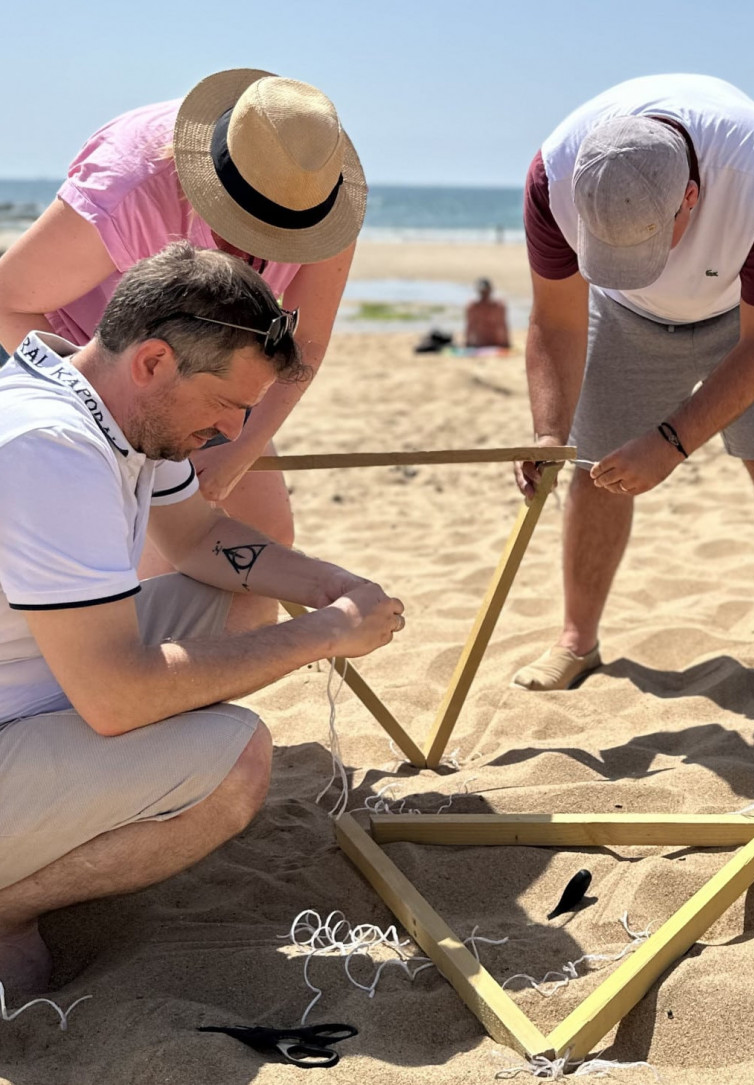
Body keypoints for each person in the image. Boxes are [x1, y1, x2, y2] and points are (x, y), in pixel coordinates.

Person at [0, 242, 405, 998]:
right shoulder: (49, 447)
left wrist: (333, 586)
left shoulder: (113, 404)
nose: (232, 431)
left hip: (32, 691)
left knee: (241, 606)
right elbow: (116, 695)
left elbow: (195, 538)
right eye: (226, 404)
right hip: (39, 708)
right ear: (153, 361)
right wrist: (323, 635)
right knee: (235, 765)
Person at [512, 74, 754, 699]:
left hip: (749, 313)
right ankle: (577, 639)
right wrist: (548, 432)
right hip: (625, 319)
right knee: (595, 468)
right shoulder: (554, 175)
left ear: (691, 196)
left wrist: (672, 441)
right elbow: (558, 318)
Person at [0, 68, 367, 626]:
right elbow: (7, 300)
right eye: (247, 228)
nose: (262, 252)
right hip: (97, 368)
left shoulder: (313, 185)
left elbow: (306, 344)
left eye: (282, 236)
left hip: (209, 369)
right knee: (148, 571)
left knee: (264, 540)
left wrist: (236, 452)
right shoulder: (131, 185)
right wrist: (113, 408)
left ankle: (189, 695)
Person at [464, 277, 510, 349]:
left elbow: (503, 325)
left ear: (490, 291)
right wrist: (468, 342)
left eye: (486, 292)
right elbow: (470, 326)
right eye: (482, 292)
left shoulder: (499, 306)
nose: (484, 294)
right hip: (480, 343)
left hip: (496, 343)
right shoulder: (473, 307)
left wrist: (506, 343)